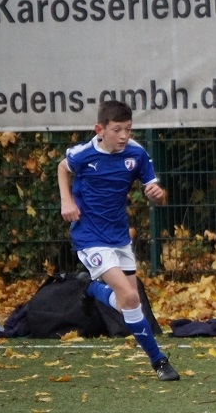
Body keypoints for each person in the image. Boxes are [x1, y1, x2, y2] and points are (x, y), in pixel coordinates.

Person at [57, 100, 179, 382]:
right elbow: (63, 167)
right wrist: (66, 200)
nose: (124, 136)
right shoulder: (84, 153)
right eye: (117, 130)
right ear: (100, 130)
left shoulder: (137, 154)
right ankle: (159, 361)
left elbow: (155, 192)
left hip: (119, 236)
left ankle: (91, 288)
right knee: (130, 297)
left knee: (128, 305)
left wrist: (157, 195)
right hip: (89, 236)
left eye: (128, 129)